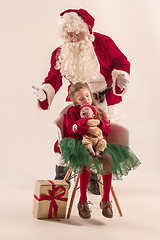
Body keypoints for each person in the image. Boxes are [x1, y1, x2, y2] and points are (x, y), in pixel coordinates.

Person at [32, 8, 131, 194]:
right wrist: (44, 93)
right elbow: (53, 79)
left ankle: (94, 179)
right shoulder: (59, 53)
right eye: (69, 35)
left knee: (98, 139)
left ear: (87, 30)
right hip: (74, 103)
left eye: (78, 33)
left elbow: (121, 61)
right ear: (64, 35)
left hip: (101, 102)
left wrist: (119, 77)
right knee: (66, 138)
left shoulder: (102, 42)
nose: (74, 38)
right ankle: (62, 178)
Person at [59, 82, 141, 219]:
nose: (86, 99)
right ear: (75, 102)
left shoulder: (98, 111)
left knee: (108, 158)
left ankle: (106, 200)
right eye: (81, 99)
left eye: (87, 95)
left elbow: (107, 131)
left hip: (99, 143)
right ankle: (83, 200)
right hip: (80, 143)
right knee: (87, 159)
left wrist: (99, 124)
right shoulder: (73, 111)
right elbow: (70, 130)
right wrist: (87, 128)